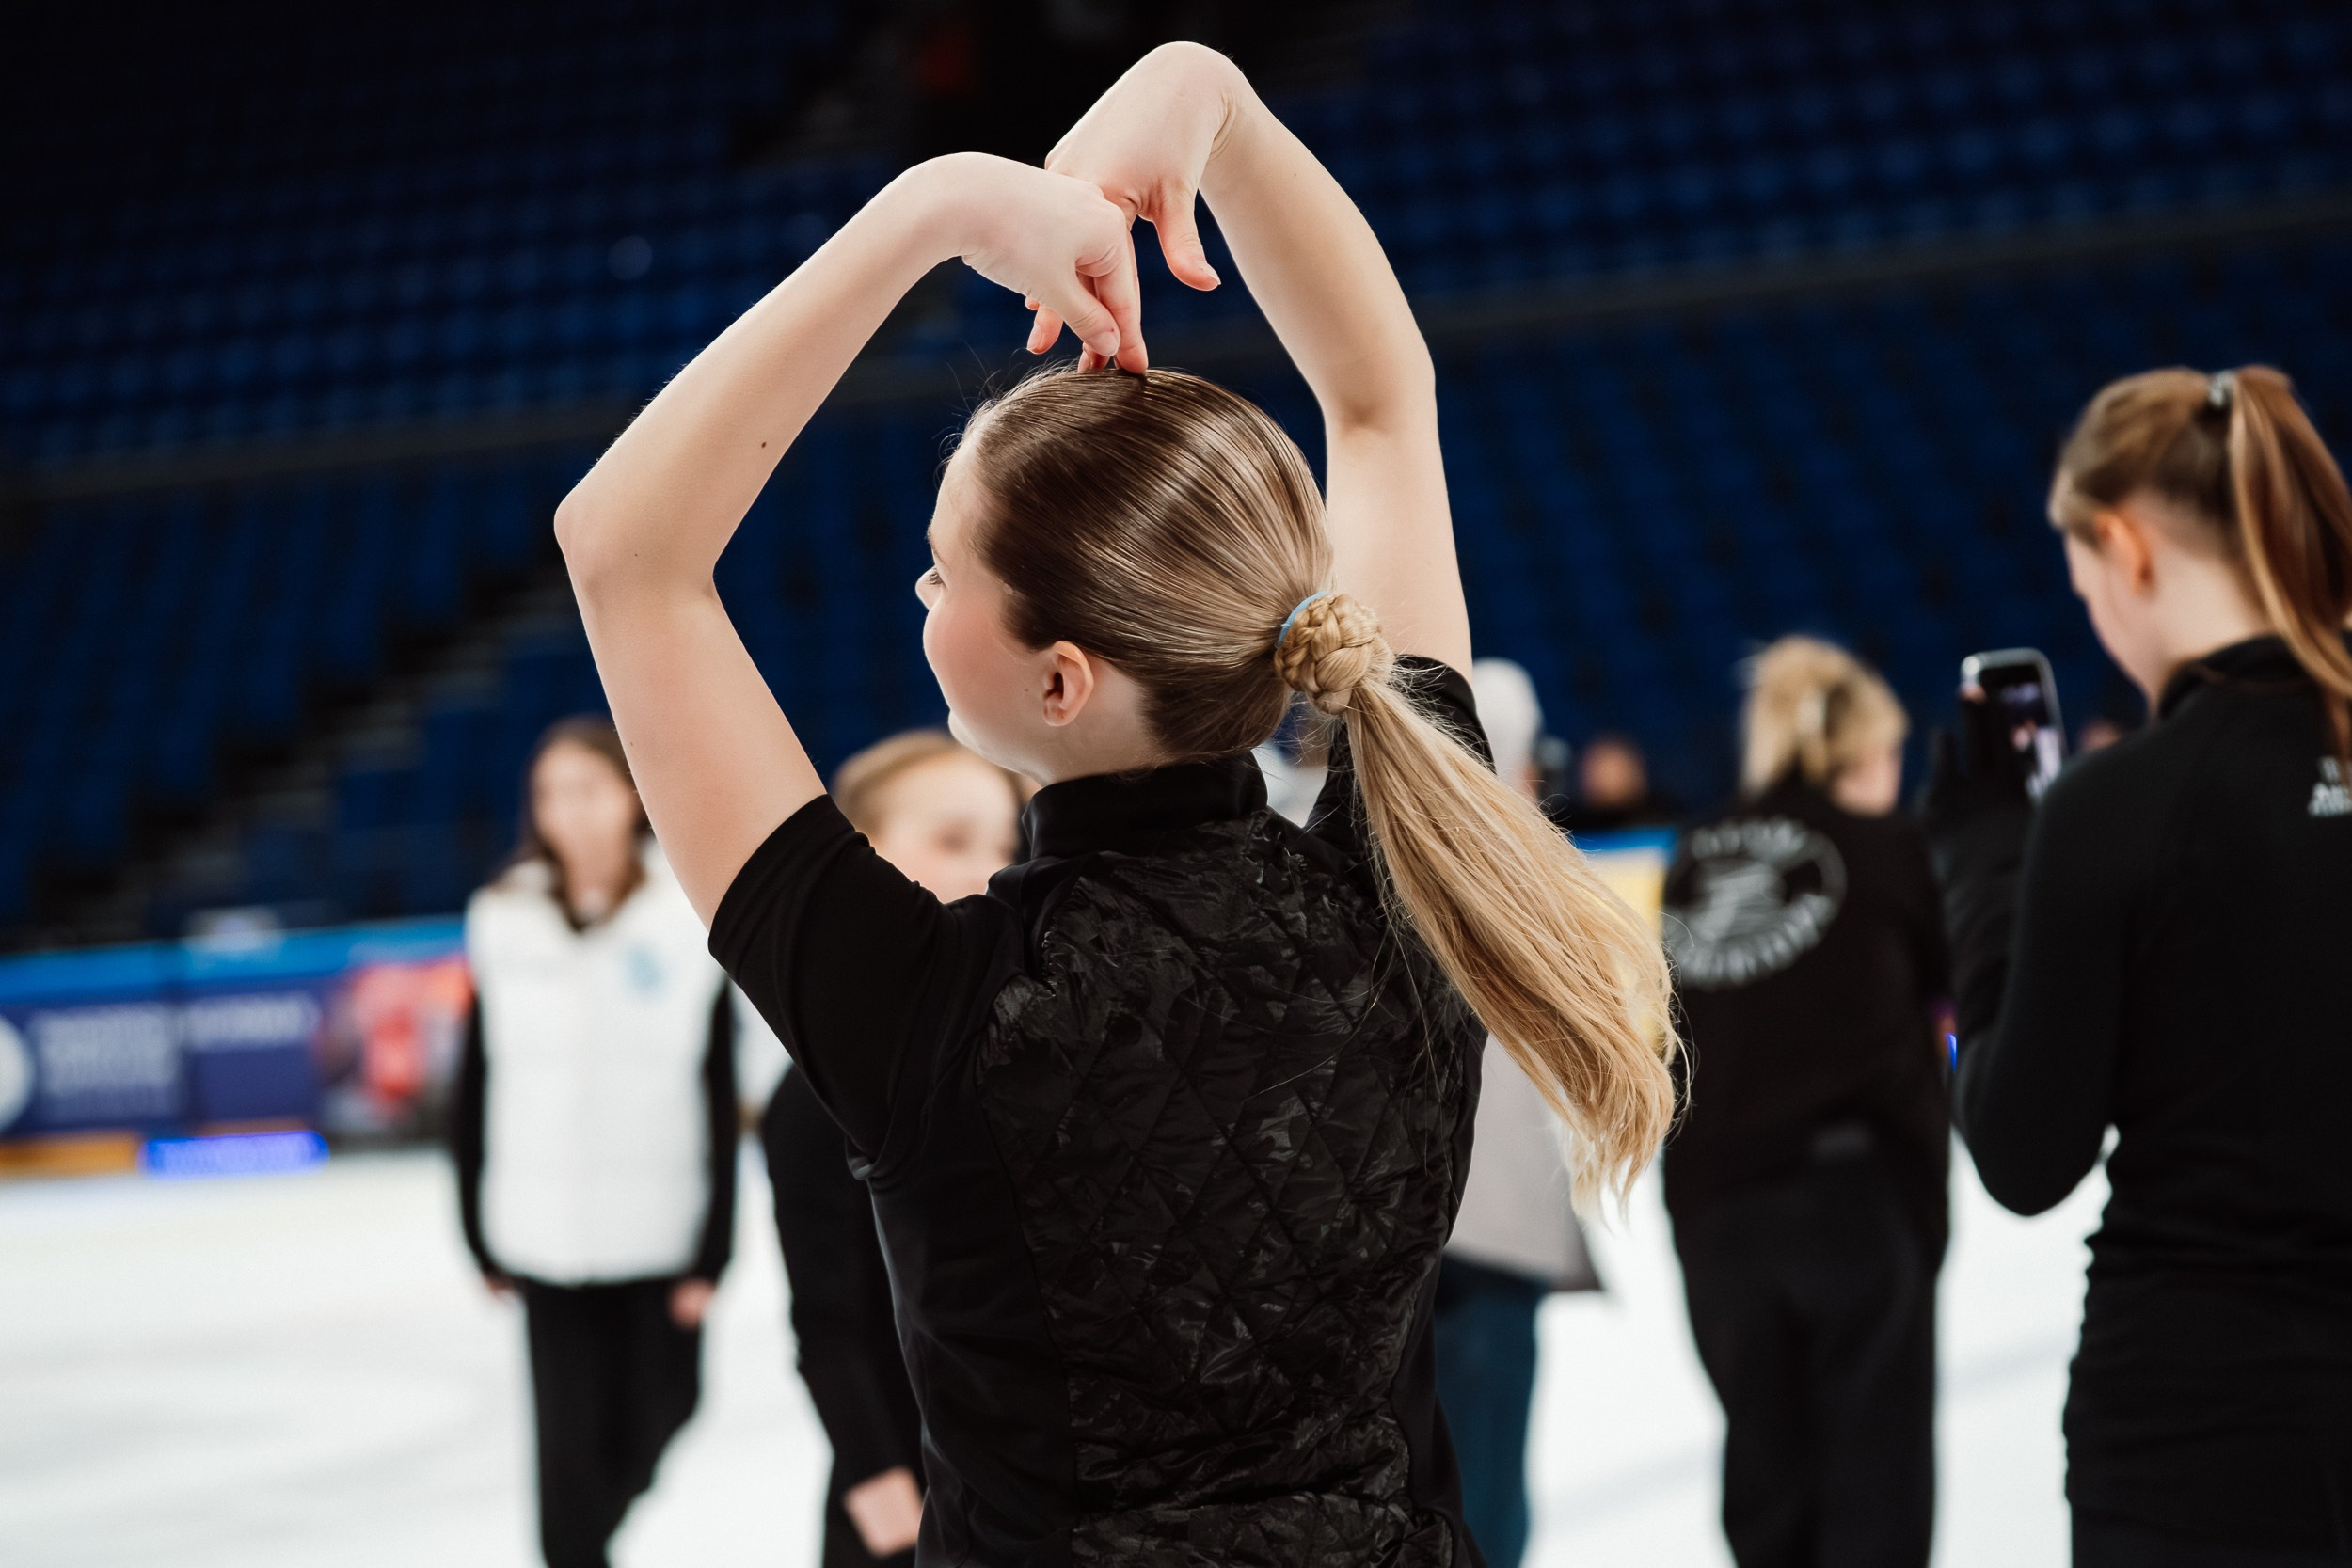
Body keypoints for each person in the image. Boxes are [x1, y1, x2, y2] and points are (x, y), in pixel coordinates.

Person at [551, 41, 1677, 1567]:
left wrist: (934, 209)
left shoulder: (936, 1007)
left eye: (946, 567)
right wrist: (1210, 95)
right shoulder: (1408, 883)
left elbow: (628, 553)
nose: (921, 589)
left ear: (1061, 678)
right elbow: (1380, 399)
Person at [1929, 366, 2352, 1566]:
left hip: (2198, 1430)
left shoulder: (2120, 805)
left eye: (2085, 587)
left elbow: (2023, 1151)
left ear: (2123, 546)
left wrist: (1985, 874)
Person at [1660, 637, 1951, 1568]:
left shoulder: (1694, 854)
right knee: (1874, 1506)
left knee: (1769, 1501)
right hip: (1853, 1200)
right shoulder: (1889, 848)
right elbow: (1957, 998)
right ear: (1861, 751)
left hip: (1719, 1218)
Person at [448, 717, 740, 1568]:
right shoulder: (503, 917)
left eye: (587, 788)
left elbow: (717, 1091)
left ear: (631, 795)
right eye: (551, 793)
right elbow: (476, 1083)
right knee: (567, 1460)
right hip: (545, 1236)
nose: (568, 810)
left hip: (659, 1233)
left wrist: (714, 1249)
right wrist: (475, 1230)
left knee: (668, 1408)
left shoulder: (686, 912)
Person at [761, 730, 1025, 1568]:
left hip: (1037, 1485)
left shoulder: (1037, 1034)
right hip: (910, 1488)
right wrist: (876, 1478)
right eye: (952, 839)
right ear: (860, 856)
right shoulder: (815, 1094)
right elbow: (827, 1315)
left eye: (1003, 844)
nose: (988, 869)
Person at [1433, 657, 1604, 1568]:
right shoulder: (1504, 883)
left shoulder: (1326, 849)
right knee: (1484, 1515)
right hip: (1482, 1241)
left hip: (1390, 1238)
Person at [1553, 733, 1678, 835]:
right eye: (1597, 770)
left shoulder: (1663, 821)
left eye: (1613, 770)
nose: (1603, 779)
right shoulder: (1563, 825)